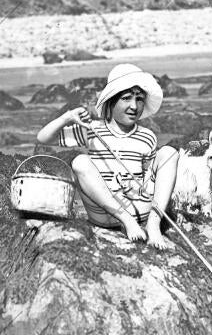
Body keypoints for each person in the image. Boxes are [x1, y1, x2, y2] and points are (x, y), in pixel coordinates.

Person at [36, 63, 179, 250]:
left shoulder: (147, 136)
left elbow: (148, 179)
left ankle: (153, 224)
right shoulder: (91, 130)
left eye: (139, 99)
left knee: (170, 153)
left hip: (140, 210)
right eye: (126, 98)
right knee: (79, 162)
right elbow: (43, 138)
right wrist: (68, 117)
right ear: (111, 101)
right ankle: (126, 221)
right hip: (105, 214)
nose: (134, 106)